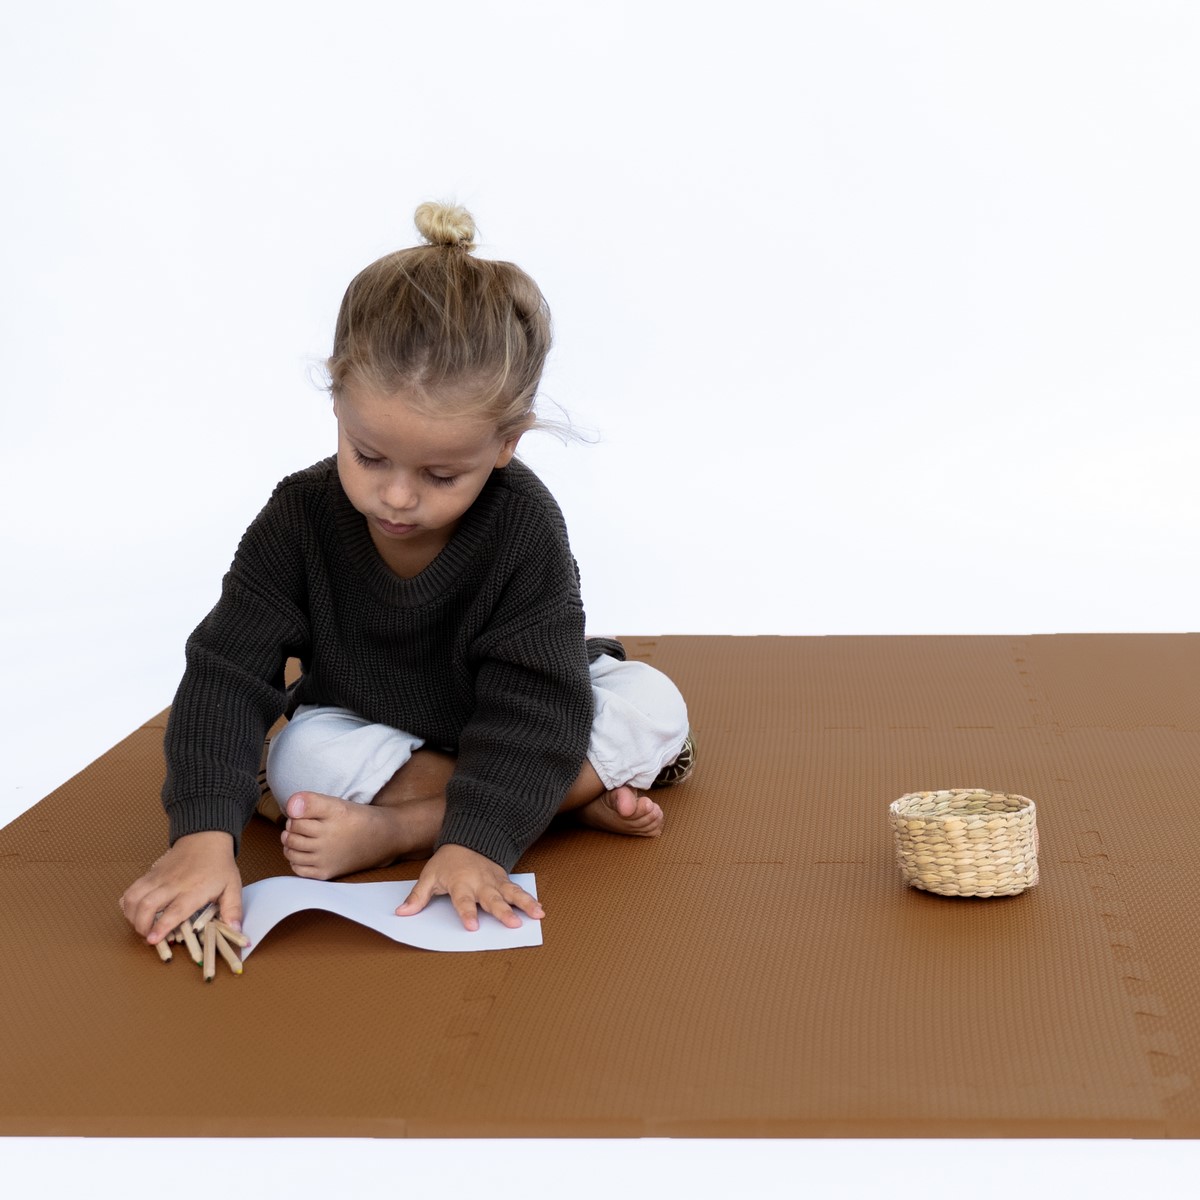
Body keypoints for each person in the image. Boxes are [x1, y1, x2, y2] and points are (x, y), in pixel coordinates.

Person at [120, 201, 693, 944]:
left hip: (512, 713)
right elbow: (227, 671)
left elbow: (536, 703)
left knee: (654, 703)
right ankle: (560, 796)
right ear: (337, 403)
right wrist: (200, 838)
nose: (396, 496)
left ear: (507, 444)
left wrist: (475, 843)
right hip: (376, 729)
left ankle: (414, 824)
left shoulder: (524, 525)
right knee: (300, 758)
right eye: (369, 456)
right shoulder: (297, 516)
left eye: (441, 475)